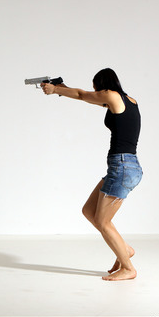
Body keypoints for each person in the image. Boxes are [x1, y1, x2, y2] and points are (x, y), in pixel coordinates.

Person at [41, 68, 143, 281]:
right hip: (122, 167)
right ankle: (125, 249)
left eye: (96, 85)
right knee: (89, 211)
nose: (95, 89)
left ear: (102, 84)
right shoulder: (127, 100)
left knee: (103, 222)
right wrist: (60, 88)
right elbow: (83, 96)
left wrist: (54, 90)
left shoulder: (111, 96)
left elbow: (82, 94)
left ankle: (128, 267)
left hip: (122, 167)